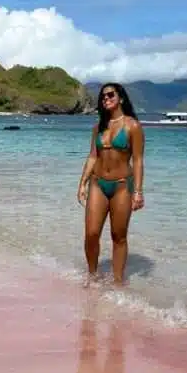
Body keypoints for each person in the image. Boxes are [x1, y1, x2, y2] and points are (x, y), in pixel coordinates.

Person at [77, 83, 144, 284]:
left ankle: (117, 282)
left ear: (120, 98)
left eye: (110, 95)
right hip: (98, 184)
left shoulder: (133, 126)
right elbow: (92, 156)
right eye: (103, 96)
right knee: (91, 233)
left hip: (122, 185)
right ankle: (92, 275)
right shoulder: (98, 127)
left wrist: (138, 192)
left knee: (118, 235)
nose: (106, 98)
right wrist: (82, 183)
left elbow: (138, 160)